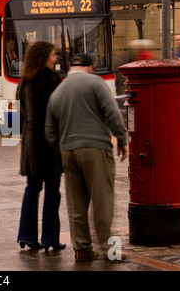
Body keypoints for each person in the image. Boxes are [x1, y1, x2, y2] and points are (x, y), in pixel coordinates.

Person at [45, 53, 128, 261]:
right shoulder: (95, 82)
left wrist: (63, 148)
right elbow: (112, 111)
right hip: (95, 149)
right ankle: (110, 251)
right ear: (90, 67)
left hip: (68, 152)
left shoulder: (58, 91)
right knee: (102, 201)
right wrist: (122, 139)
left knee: (76, 204)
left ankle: (82, 249)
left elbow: (49, 131)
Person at [16, 41, 65, 251]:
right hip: (50, 143)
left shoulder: (24, 81)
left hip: (31, 142)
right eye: (53, 55)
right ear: (44, 57)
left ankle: (26, 236)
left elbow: (22, 112)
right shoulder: (53, 80)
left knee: (32, 188)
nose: (56, 58)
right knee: (52, 190)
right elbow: (60, 112)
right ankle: (50, 239)